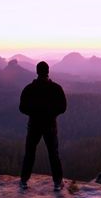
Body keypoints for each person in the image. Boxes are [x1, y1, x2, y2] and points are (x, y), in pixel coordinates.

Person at [19, 61, 67, 191]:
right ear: (48, 71)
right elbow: (63, 107)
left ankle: (24, 181)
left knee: (30, 153)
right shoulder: (56, 88)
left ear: (36, 71)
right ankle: (57, 182)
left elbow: (22, 108)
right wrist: (51, 114)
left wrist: (34, 113)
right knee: (53, 153)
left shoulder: (29, 88)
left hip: (34, 125)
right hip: (50, 125)